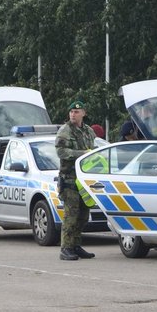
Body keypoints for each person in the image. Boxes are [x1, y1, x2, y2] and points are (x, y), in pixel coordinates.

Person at [55, 100, 97, 261]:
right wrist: (83, 154)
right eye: (71, 111)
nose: (73, 114)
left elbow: (93, 151)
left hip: (84, 181)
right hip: (69, 180)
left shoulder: (88, 131)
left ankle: (75, 245)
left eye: (77, 112)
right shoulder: (65, 131)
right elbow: (61, 152)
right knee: (70, 216)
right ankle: (65, 248)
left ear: (83, 113)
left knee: (83, 216)